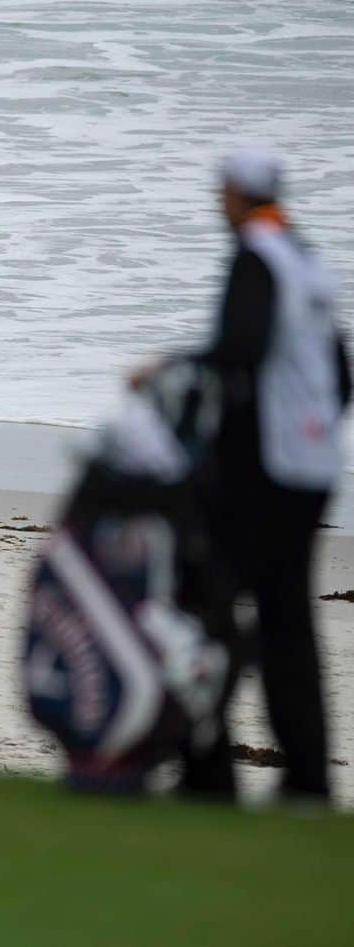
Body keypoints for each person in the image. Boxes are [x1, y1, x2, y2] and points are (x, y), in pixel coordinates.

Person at [136, 147, 350, 804]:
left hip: (260, 469)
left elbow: (240, 351)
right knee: (287, 618)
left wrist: (167, 370)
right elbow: (340, 374)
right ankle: (307, 779)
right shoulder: (305, 260)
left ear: (232, 195)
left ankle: (207, 772)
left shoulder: (255, 256)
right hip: (312, 466)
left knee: (208, 605)